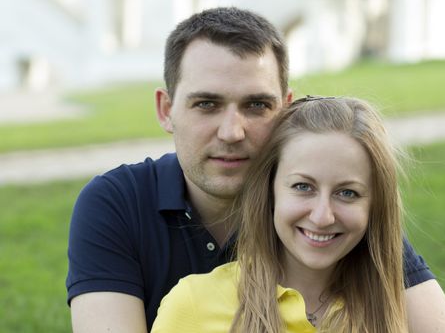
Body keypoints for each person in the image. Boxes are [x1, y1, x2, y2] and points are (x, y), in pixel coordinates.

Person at [66, 7, 445, 332]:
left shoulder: (320, 208)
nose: (232, 131)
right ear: (166, 110)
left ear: (286, 109)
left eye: (256, 105)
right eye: (206, 104)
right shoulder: (116, 202)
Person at [151, 96, 409, 333]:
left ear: (375, 205)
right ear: (270, 191)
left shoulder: (397, 310)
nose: (322, 217)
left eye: (348, 193)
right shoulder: (194, 305)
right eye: (303, 187)